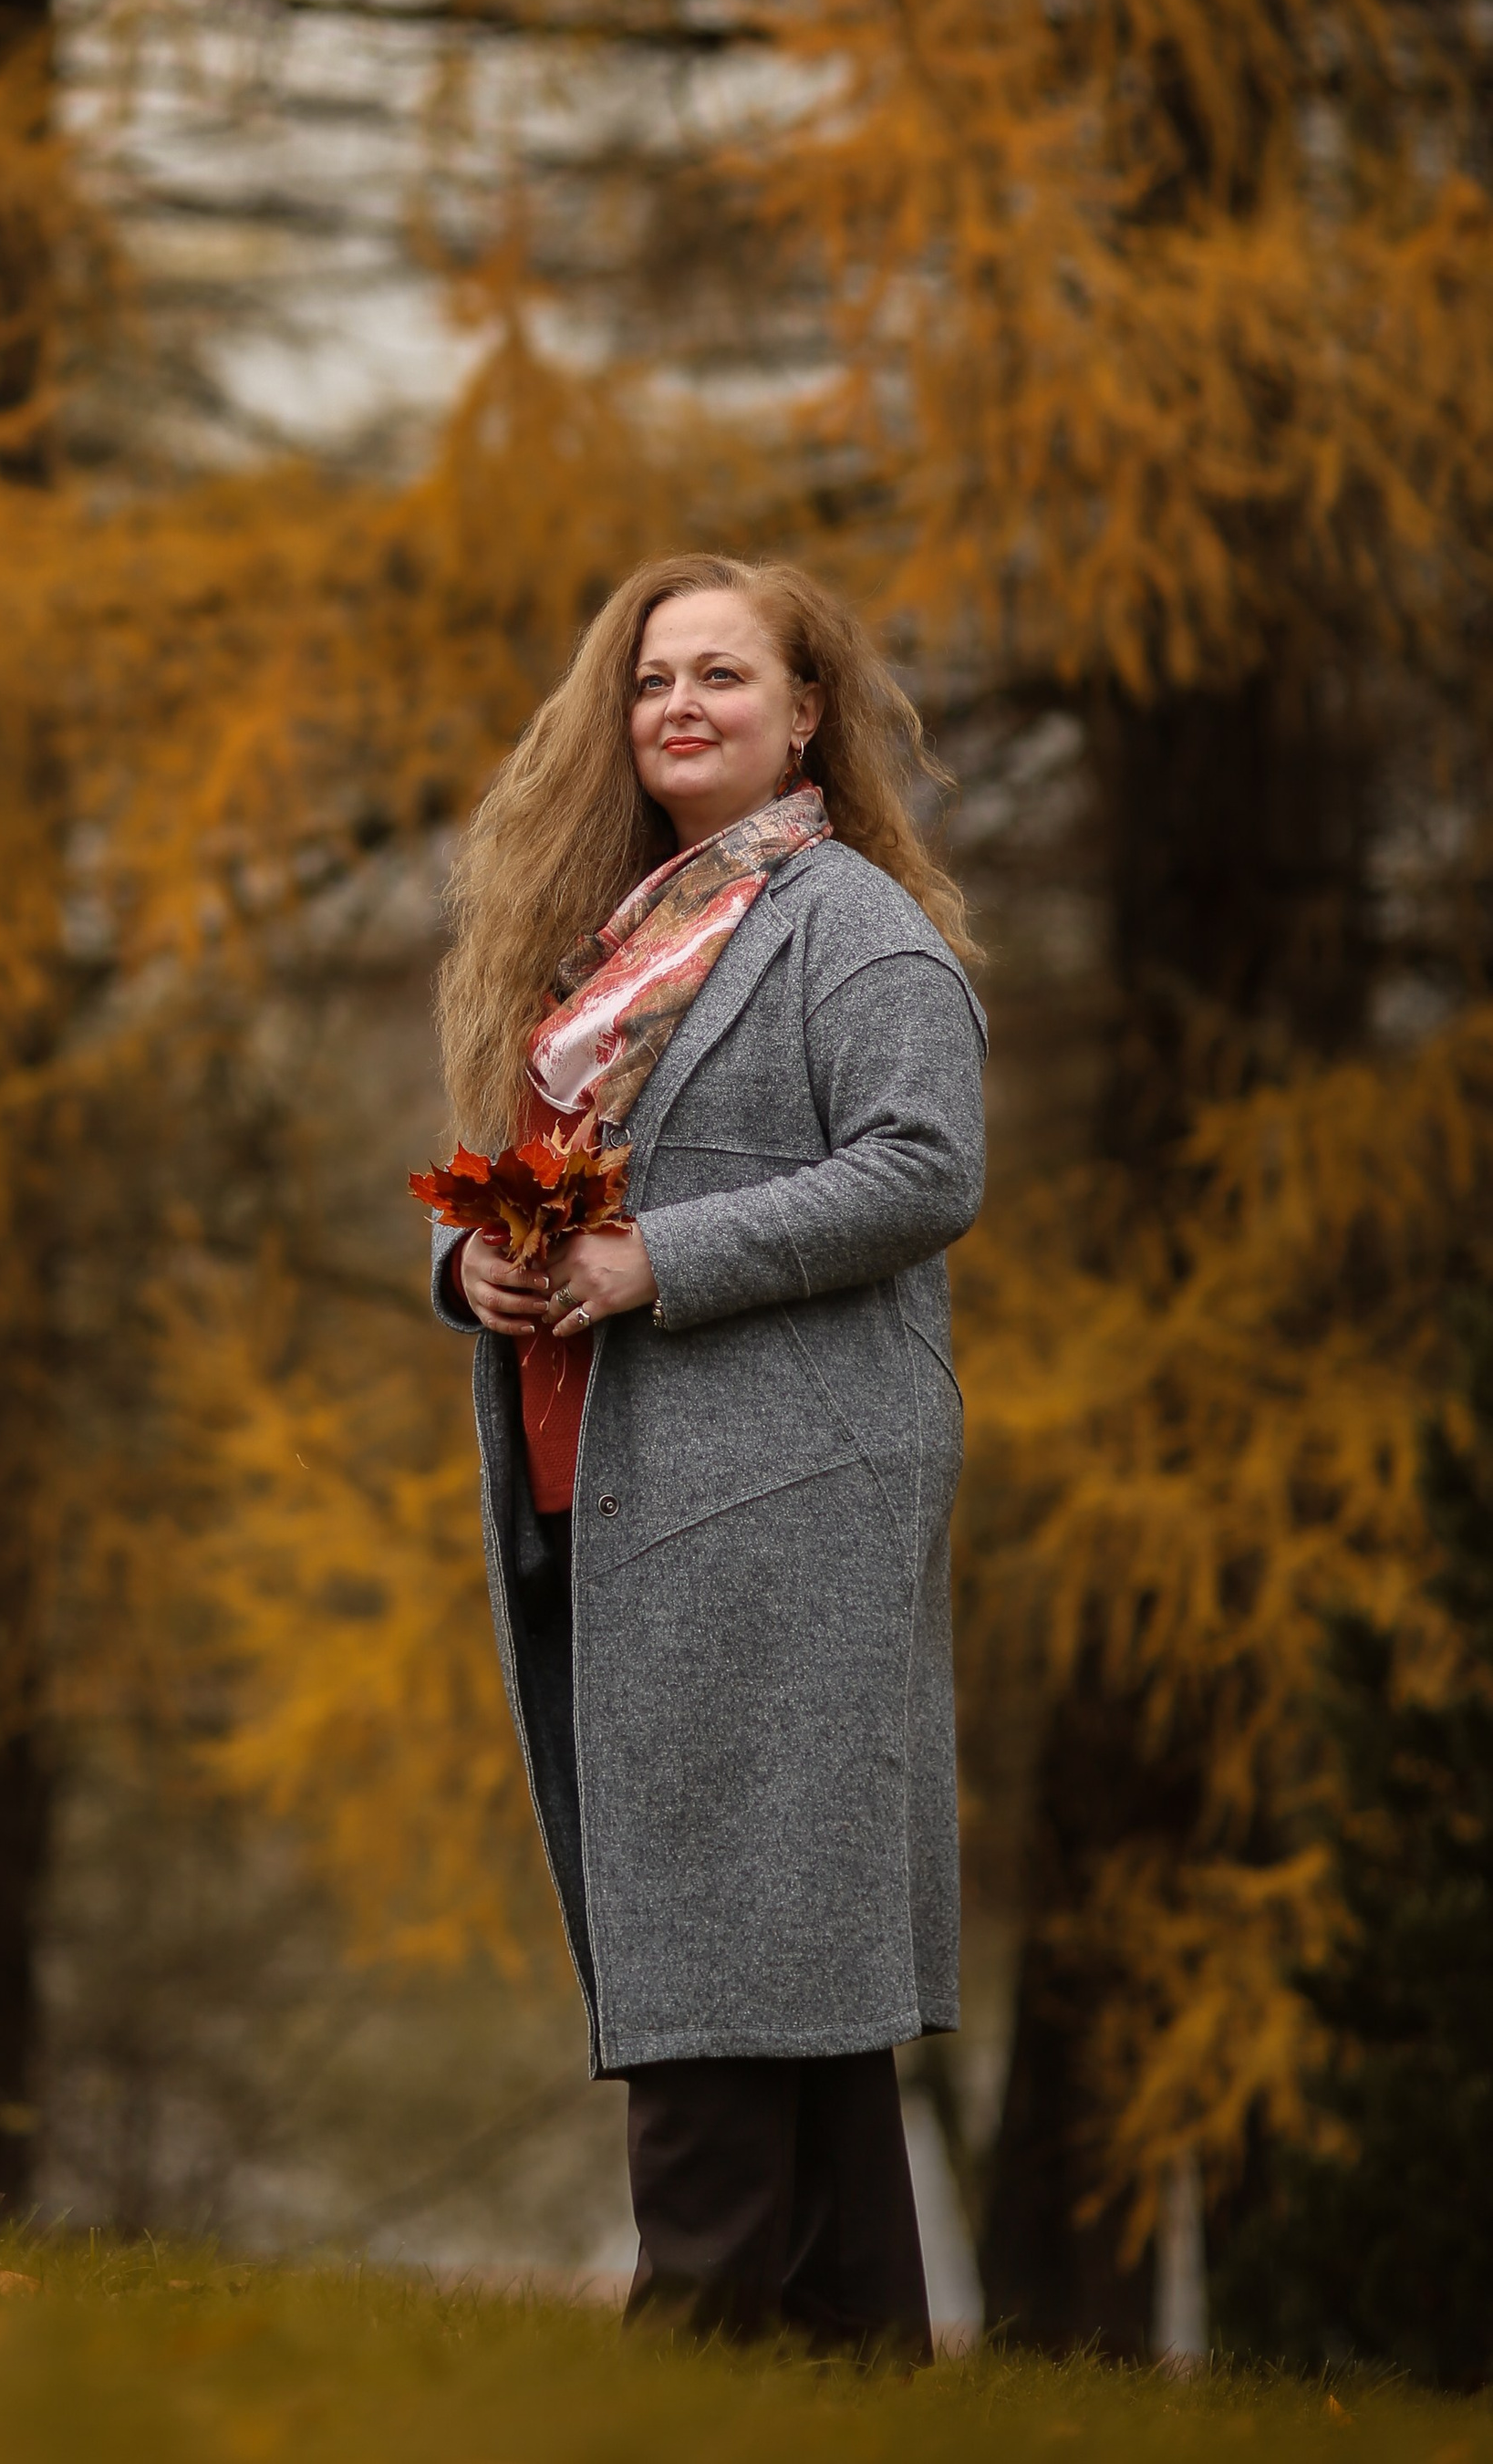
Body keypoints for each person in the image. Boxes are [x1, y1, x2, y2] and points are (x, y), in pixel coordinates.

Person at [427, 553, 985, 2356]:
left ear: (805, 711)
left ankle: (686, 2344)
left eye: (723, 677)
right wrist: (472, 1269)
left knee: (722, 1941)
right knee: (769, 1949)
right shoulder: (616, 942)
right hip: (607, 1493)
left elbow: (921, 1169)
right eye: (653, 678)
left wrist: (650, 1262)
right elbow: (507, 1180)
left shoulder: (851, 929)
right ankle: (854, 2358)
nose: (678, 706)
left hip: (780, 1510)